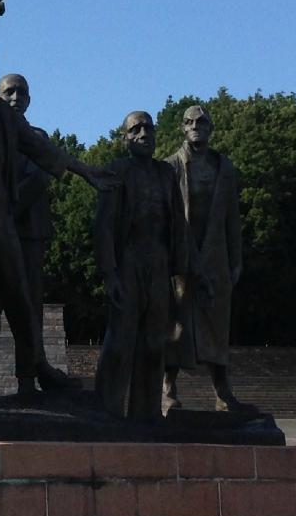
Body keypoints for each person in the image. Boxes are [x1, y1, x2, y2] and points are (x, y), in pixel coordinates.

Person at [0, 0, 112, 398]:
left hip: (0, 217)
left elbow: (42, 149)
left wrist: (86, 172)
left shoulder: (2, 113)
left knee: (20, 299)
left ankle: (36, 371)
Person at [0, 73, 75, 390]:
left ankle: (27, 377)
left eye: (21, 93)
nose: (15, 98)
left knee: (28, 306)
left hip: (26, 234)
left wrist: (5, 209)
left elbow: (40, 178)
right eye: (8, 92)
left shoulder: (37, 137)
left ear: (29, 100)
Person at [94, 110, 187, 423]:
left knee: (153, 343)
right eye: (136, 129)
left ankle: (146, 415)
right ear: (125, 138)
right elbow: (104, 227)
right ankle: (107, 412)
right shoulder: (117, 170)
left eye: (149, 128)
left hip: (158, 261)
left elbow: (177, 226)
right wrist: (110, 273)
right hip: (129, 259)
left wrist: (179, 274)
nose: (144, 133)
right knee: (119, 342)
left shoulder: (166, 174)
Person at [162, 103, 244, 413]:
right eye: (190, 122)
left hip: (215, 257)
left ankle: (222, 392)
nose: (196, 126)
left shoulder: (224, 167)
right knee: (176, 323)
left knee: (216, 325)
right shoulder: (170, 166)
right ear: (182, 128)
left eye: (202, 122)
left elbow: (232, 219)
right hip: (180, 257)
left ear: (210, 128)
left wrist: (236, 259)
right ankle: (167, 389)